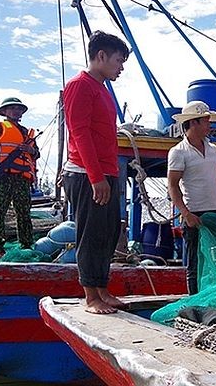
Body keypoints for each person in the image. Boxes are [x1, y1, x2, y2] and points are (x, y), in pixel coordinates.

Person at [62, 30, 129, 314]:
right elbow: (80, 133)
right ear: (100, 56)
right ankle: (91, 297)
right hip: (85, 173)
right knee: (91, 234)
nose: (121, 67)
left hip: (107, 172)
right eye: (118, 60)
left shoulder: (102, 88)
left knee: (108, 231)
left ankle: (102, 288)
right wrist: (95, 177)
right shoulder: (80, 85)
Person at [167, 100, 216, 295]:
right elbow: (172, 186)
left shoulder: (214, 149)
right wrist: (186, 214)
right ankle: (195, 300)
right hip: (194, 215)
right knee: (195, 262)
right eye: (206, 120)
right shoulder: (178, 152)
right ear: (194, 122)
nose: (210, 124)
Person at [0, 97, 39, 259]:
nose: (16, 111)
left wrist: (30, 150)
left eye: (19, 108)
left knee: (23, 212)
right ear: (5, 111)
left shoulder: (26, 133)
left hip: (22, 179)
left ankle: (26, 244)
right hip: (1, 177)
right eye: (12, 108)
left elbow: (37, 154)